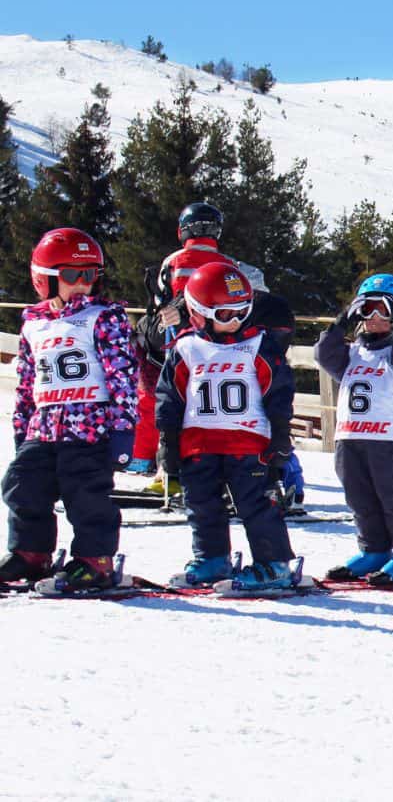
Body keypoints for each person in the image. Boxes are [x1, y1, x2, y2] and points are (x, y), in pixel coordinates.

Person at [0, 229, 138, 590]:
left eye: (90, 275)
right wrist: (21, 427)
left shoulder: (104, 316)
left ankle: (95, 560)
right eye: (72, 275)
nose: (82, 284)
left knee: (86, 494)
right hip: (43, 427)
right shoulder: (33, 323)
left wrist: (124, 430)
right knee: (21, 485)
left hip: (89, 427)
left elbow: (123, 376)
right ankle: (30, 553)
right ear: (44, 279)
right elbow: (28, 382)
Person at [156, 262, 298, 590]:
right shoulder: (186, 347)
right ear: (198, 312)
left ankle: (273, 563)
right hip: (199, 442)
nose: (234, 321)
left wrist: (279, 435)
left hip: (247, 443)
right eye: (223, 315)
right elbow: (169, 396)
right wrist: (168, 439)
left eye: (241, 312)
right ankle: (211, 558)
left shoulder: (258, 345)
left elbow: (278, 392)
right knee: (201, 504)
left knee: (257, 505)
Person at [315, 274, 393, 583]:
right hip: (349, 439)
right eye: (367, 309)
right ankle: (374, 550)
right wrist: (340, 322)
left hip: (385, 441)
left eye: (384, 311)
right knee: (360, 499)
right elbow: (323, 354)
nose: (375, 318)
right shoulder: (352, 354)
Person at [129, 202, 235, 478]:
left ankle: (142, 455)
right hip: (216, 339)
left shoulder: (174, 261)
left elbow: (158, 301)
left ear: (182, 231)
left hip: (174, 338)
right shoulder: (228, 265)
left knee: (151, 387)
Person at [238, 263, 307, 515]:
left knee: (262, 438)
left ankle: (273, 486)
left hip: (255, 375)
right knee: (277, 435)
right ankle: (291, 486)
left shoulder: (252, 309)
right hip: (271, 374)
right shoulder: (277, 308)